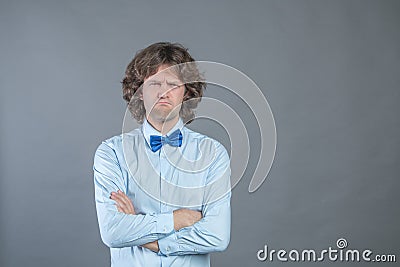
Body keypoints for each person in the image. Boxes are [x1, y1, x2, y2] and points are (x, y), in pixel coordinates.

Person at [93, 42, 231, 267]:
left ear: (186, 92)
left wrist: (144, 234)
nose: (163, 91)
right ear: (139, 91)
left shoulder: (213, 154)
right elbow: (112, 232)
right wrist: (177, 220)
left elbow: (217, 236)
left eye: (173, 84)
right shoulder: (112, 154)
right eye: (154, 82)